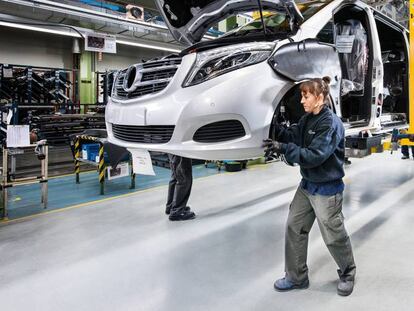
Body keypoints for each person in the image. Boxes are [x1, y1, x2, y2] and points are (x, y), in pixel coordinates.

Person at [263, 77, 356, 296]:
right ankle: (296, 277)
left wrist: (282, 148)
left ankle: (348, 272)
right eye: (302, 96)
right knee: (294, 227)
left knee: (333, 235)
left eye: (306, 96)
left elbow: (315, 156)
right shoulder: (307, 119)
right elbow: (294, 135)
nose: (302, 101)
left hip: (327, 188)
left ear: (320, 98)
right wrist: (273, 129)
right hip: (307, 185)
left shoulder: (330, 123)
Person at [165, 154, 196, 221]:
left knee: (175, 176)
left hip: (172, 149)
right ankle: (177, 211)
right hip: (180, 149)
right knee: (184, 178)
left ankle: (171, 207)